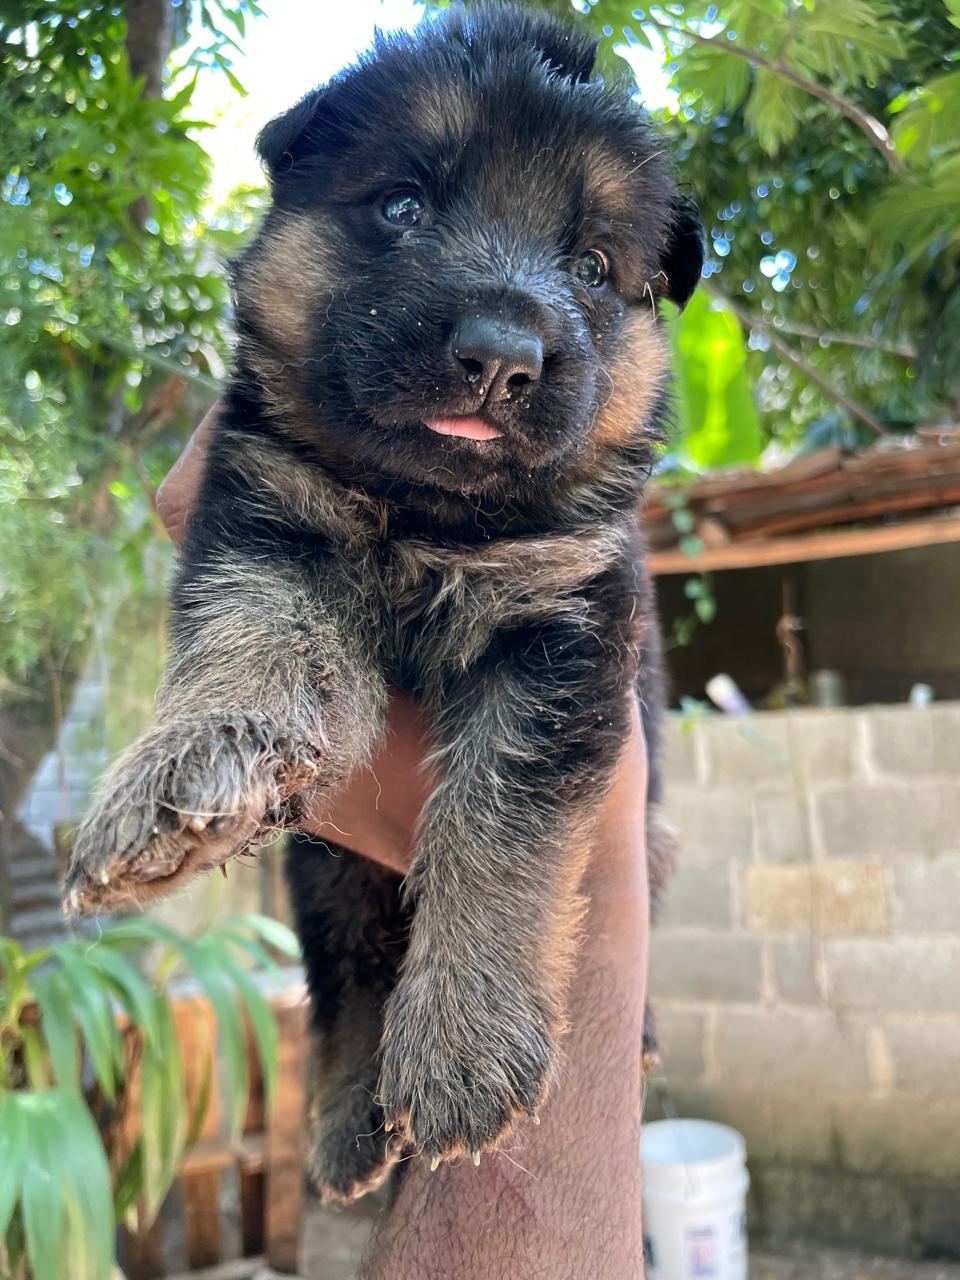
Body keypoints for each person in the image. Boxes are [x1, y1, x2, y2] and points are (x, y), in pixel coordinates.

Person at [157, 407, 651, 1279]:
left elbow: (587, 702)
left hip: (547, 838)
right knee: (324, 863)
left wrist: (607, 909)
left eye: (590, 266)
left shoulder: (570, 500)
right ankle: (355, 1064)